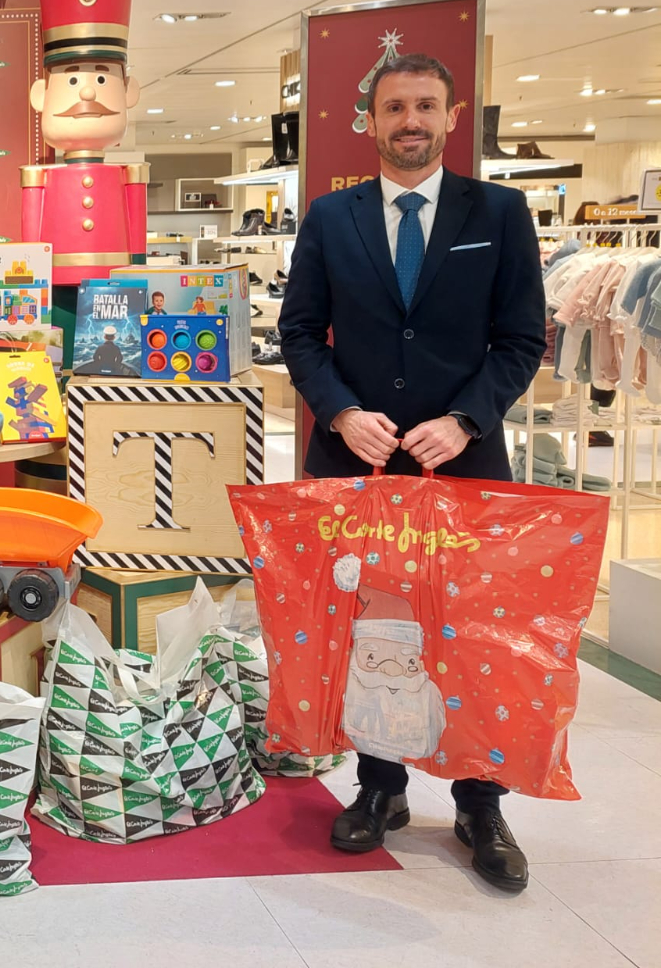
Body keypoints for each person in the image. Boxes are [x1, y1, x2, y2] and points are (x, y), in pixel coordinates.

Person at [278, 52, 546, 893]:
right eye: (395, 107)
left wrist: (465, 419)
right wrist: (340, 412)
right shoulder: (332, 216)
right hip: (356, 461)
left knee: (469, 632)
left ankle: (480, 801)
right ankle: (380, 786)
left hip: (464, 464)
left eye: (426, 106)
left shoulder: (498, 212)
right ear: (371, 119)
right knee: (372, 628)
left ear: (452, 115)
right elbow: (299, 332)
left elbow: (521, 339)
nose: (411, 122)